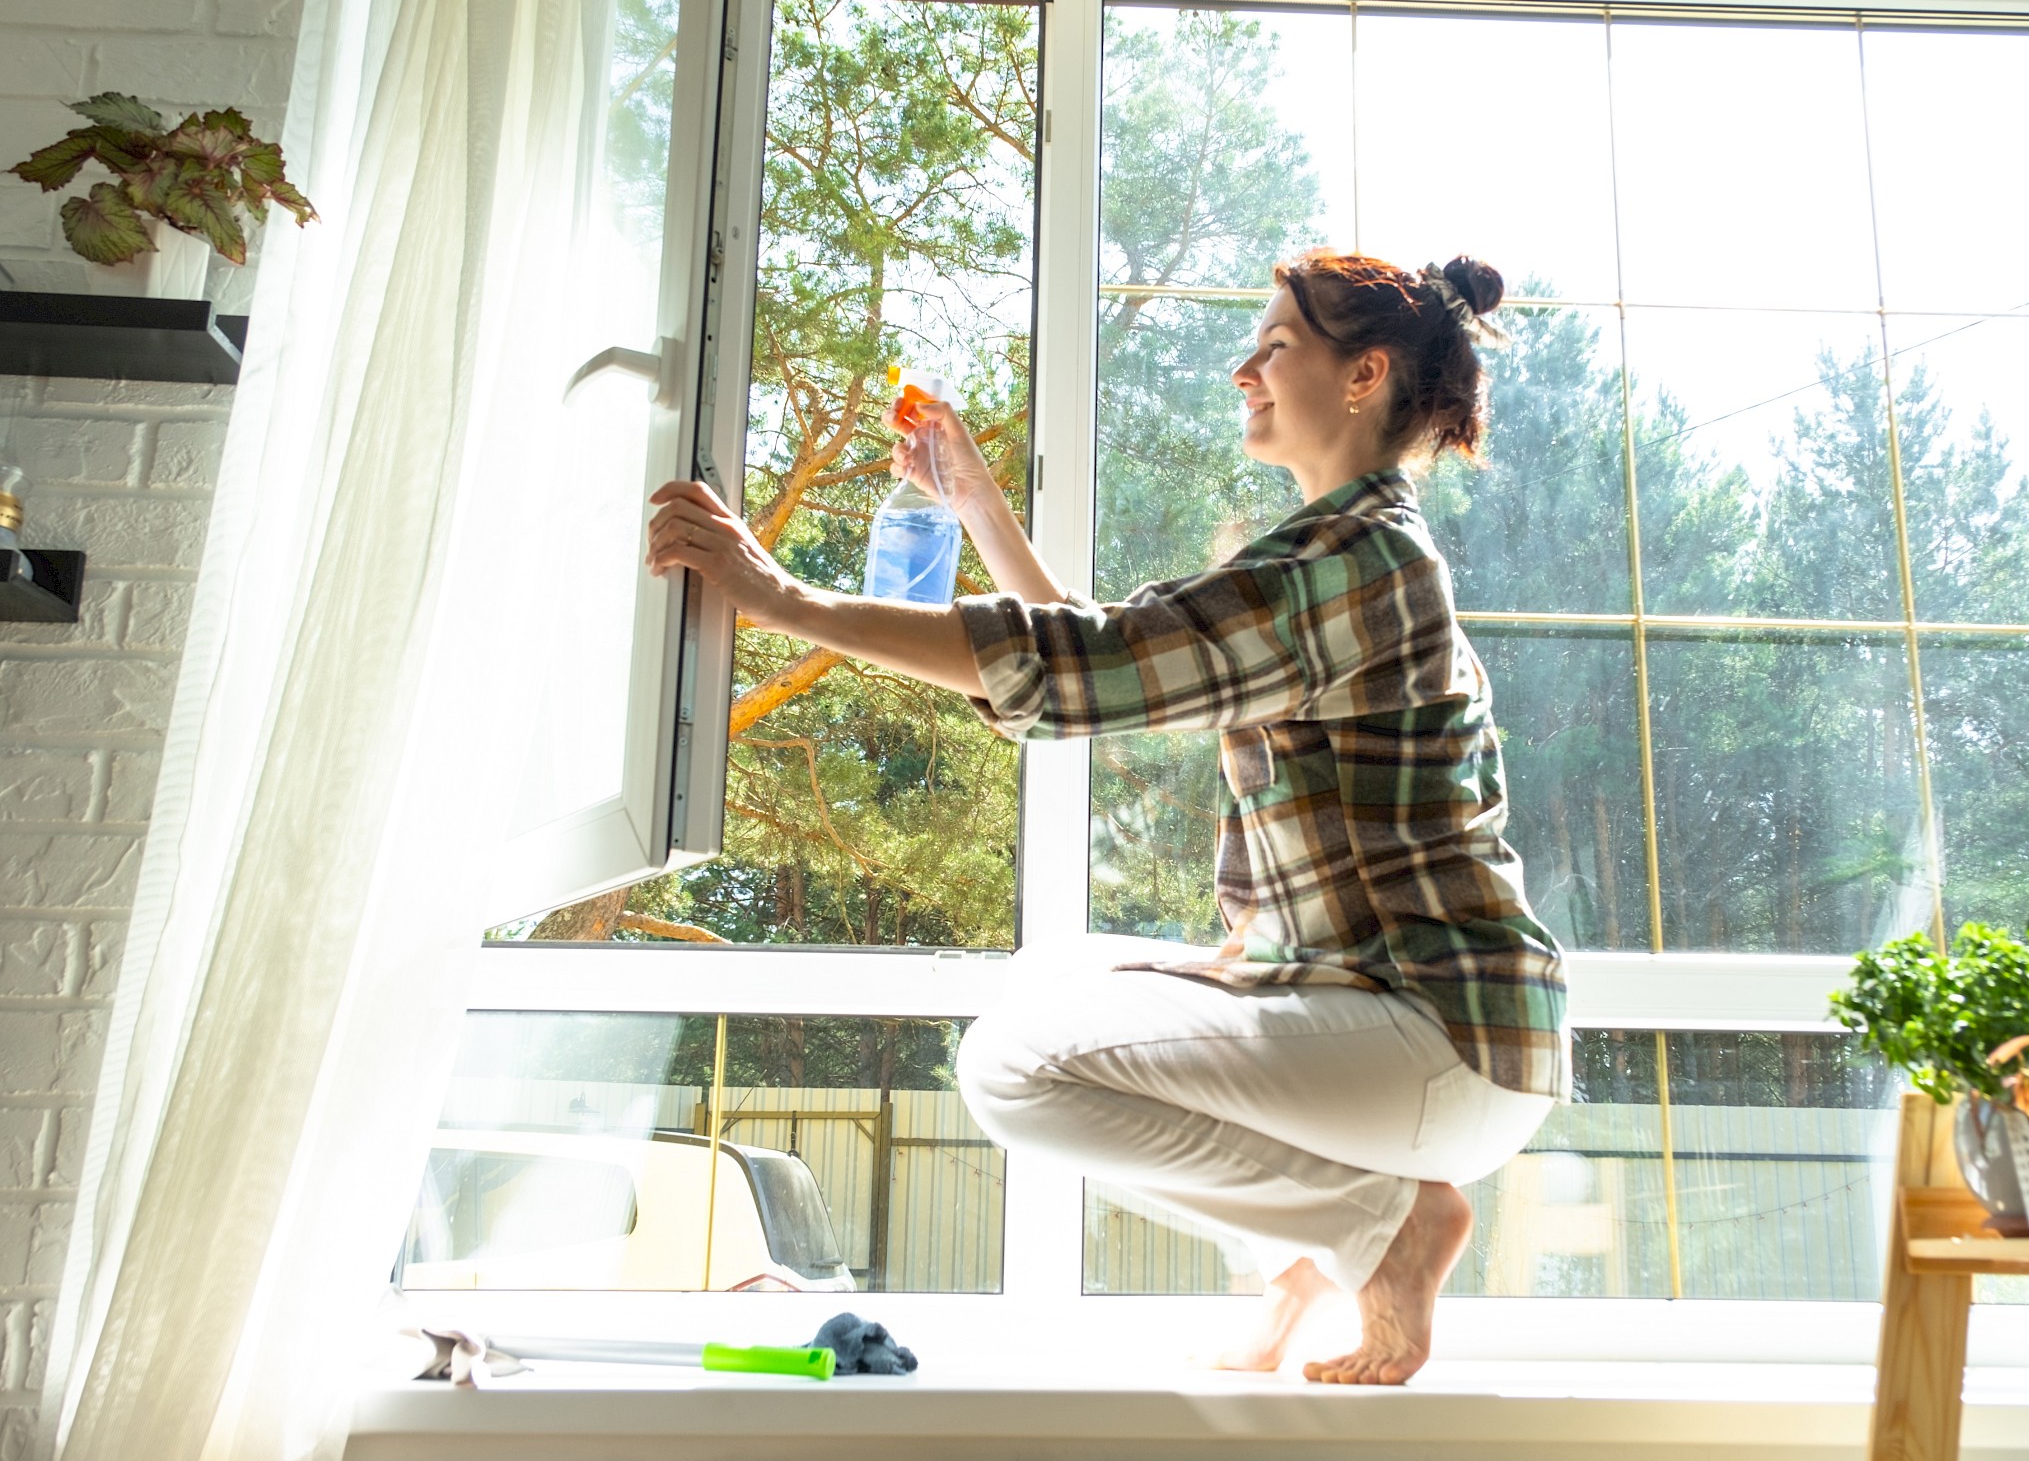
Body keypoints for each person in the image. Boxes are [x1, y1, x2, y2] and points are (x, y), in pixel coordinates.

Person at [644, 250, 1566, 1385]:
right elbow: (1104, 657)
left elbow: (1093, 664)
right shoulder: (1344, 553)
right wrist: (974, 501)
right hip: (1414, 1032)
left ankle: (1382, 1232)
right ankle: (1305, 1265)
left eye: (1275, 344)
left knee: (1013, 1069)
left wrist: (785, 599)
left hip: (1440, 1040)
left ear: (1365, 372)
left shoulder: (1353, 560)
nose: (1245, 369)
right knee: (1052, 978)